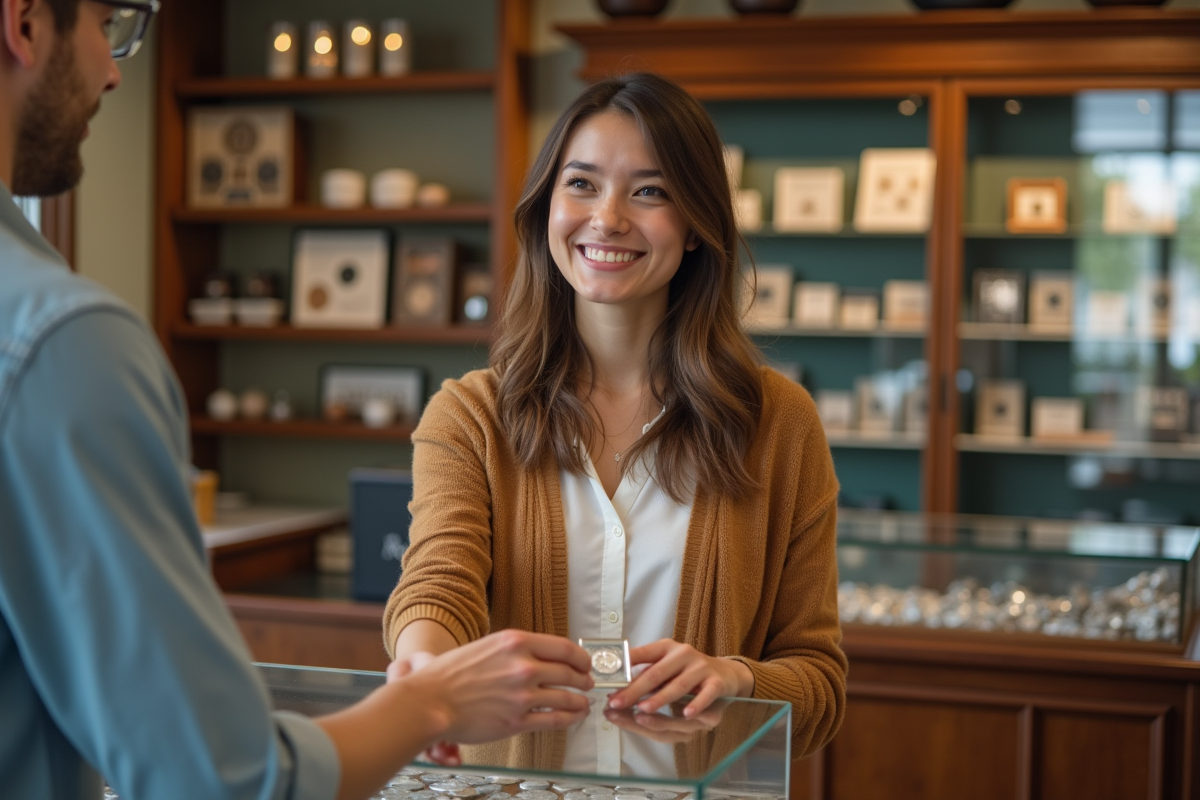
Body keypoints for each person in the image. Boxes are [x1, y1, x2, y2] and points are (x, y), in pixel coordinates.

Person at [0, 2, 595, 799]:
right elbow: (223, 780)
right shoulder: (61, 341)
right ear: (26, 23)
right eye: (106, 24)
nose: (113, 70)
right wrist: (431, 699)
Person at [384, 72, 847, 768]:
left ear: (695, 225)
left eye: (650, 191)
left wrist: (738, 679)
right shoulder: (469, 416)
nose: (608, 218)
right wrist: (424, 671)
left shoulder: (779, 423)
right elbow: (439, 580)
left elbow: (819, 684)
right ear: (547, 208)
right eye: (582, 184)